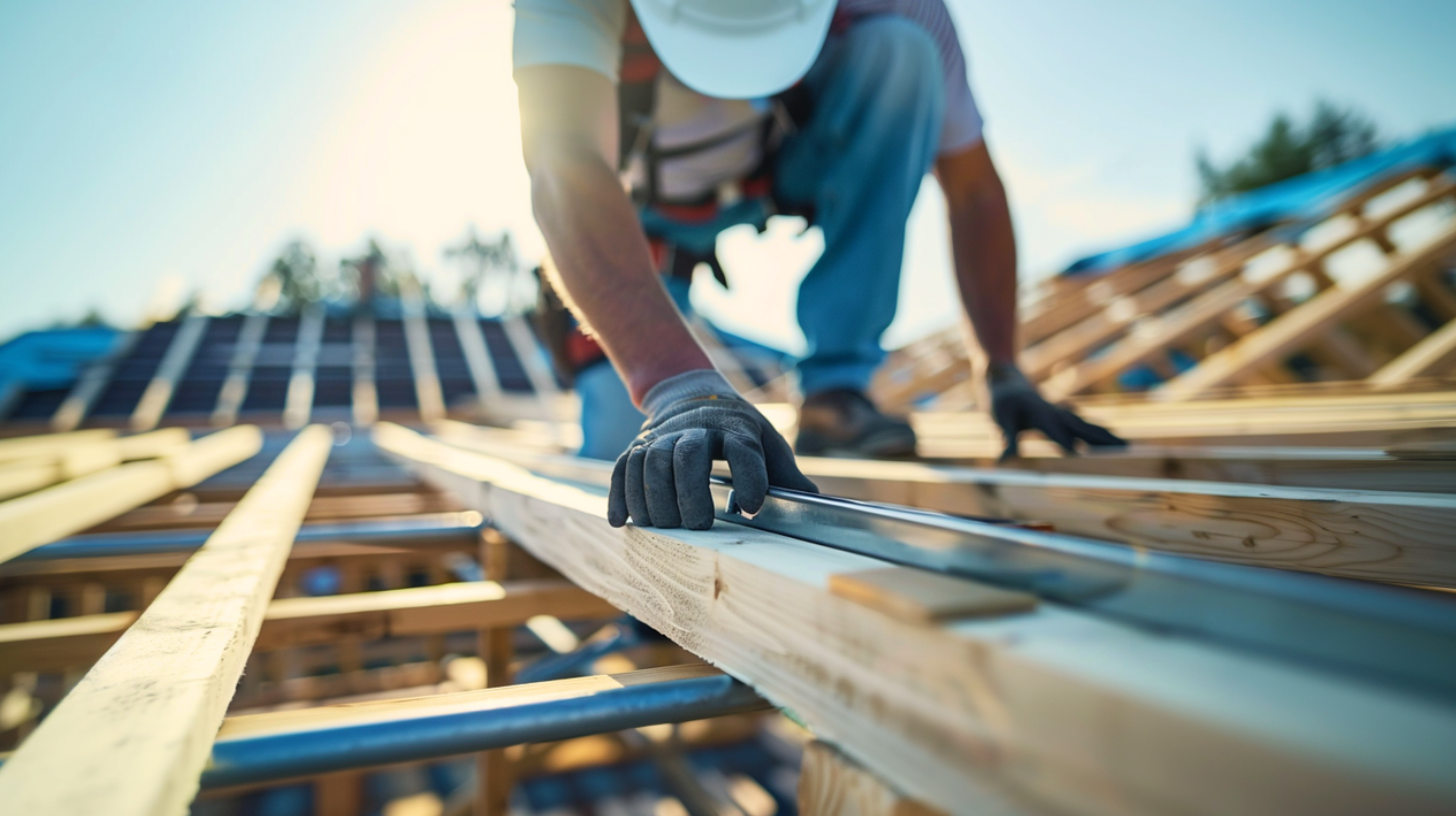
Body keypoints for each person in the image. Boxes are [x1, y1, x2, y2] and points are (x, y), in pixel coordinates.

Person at [514, 0, 1124, 530]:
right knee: (636, 468)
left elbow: (974, 191)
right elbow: (565, 167)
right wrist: (675, 385)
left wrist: (1002, 365)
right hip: (635, 216)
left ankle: (837, 390)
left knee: (901, 57)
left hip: (777, 163)